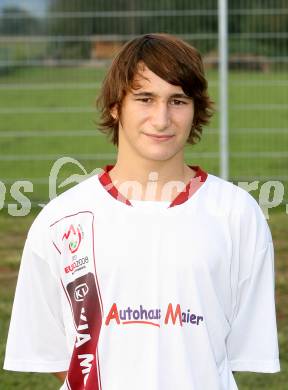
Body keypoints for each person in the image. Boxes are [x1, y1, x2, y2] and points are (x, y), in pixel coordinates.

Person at [4, 33, 280, 390]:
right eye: (145, 98)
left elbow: (232, 350)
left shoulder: (238, 214)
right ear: (116, 105)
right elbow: (54, 352)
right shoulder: (62, 220)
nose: (162, 119)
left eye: (177, 100)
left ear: (196, 108)